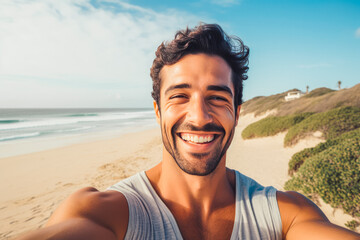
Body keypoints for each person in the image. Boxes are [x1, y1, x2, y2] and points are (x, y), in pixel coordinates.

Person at [18, 23, 359, 240]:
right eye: (180, 96)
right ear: (157, 111)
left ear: (237, 114)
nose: (198, 116)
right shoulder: (106, 213)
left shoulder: (286, 214)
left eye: (217, 97)